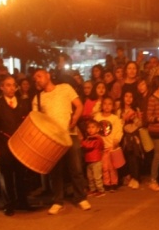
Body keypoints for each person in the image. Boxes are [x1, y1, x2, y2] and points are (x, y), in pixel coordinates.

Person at [32, 68, 91, 215]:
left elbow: (79, 105)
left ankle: (80, 198)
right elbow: (36, 120)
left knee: (76, 168)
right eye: (35, 78)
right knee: (56, 172)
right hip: (53, 139)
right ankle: (58, 201)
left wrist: (75, 119)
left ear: (48, 75)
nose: (37, 79)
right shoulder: (38, 98)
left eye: (39, 76)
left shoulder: (65, 88)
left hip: (70, 134)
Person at [0, 75, 32, 216]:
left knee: (21, 174)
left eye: (14, 85)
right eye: (8, 85)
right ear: (2, 87)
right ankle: (9, 204)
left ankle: (23, 201)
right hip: (3, 145)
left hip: (20, 145)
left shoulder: (23, 104)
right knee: (6, 176)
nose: (12, 88)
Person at [94, 96, 123, 191]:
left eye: (109, 104)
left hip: (111, 146)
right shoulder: (97, 117)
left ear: (113, 107)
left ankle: (114, 182)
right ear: (102, 106)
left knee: (112, 167)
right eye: (105, 104)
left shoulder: (114, 118)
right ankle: (106, 183)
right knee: (104, 167)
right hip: (102, 147)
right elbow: (94, 129)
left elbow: (119, 130)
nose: (107, 106)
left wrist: (116, 140)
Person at [81, 119, 105, 197]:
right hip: (89, 160)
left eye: (93, 127)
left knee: (97, 177)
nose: (90, 129)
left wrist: (81, 141)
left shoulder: (97, 138)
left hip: (96, 160)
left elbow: (89, 146)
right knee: (90, 177)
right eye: (88, 127)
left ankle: (101, 190)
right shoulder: (89, 138)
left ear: (97, 129)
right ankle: (93, 190)